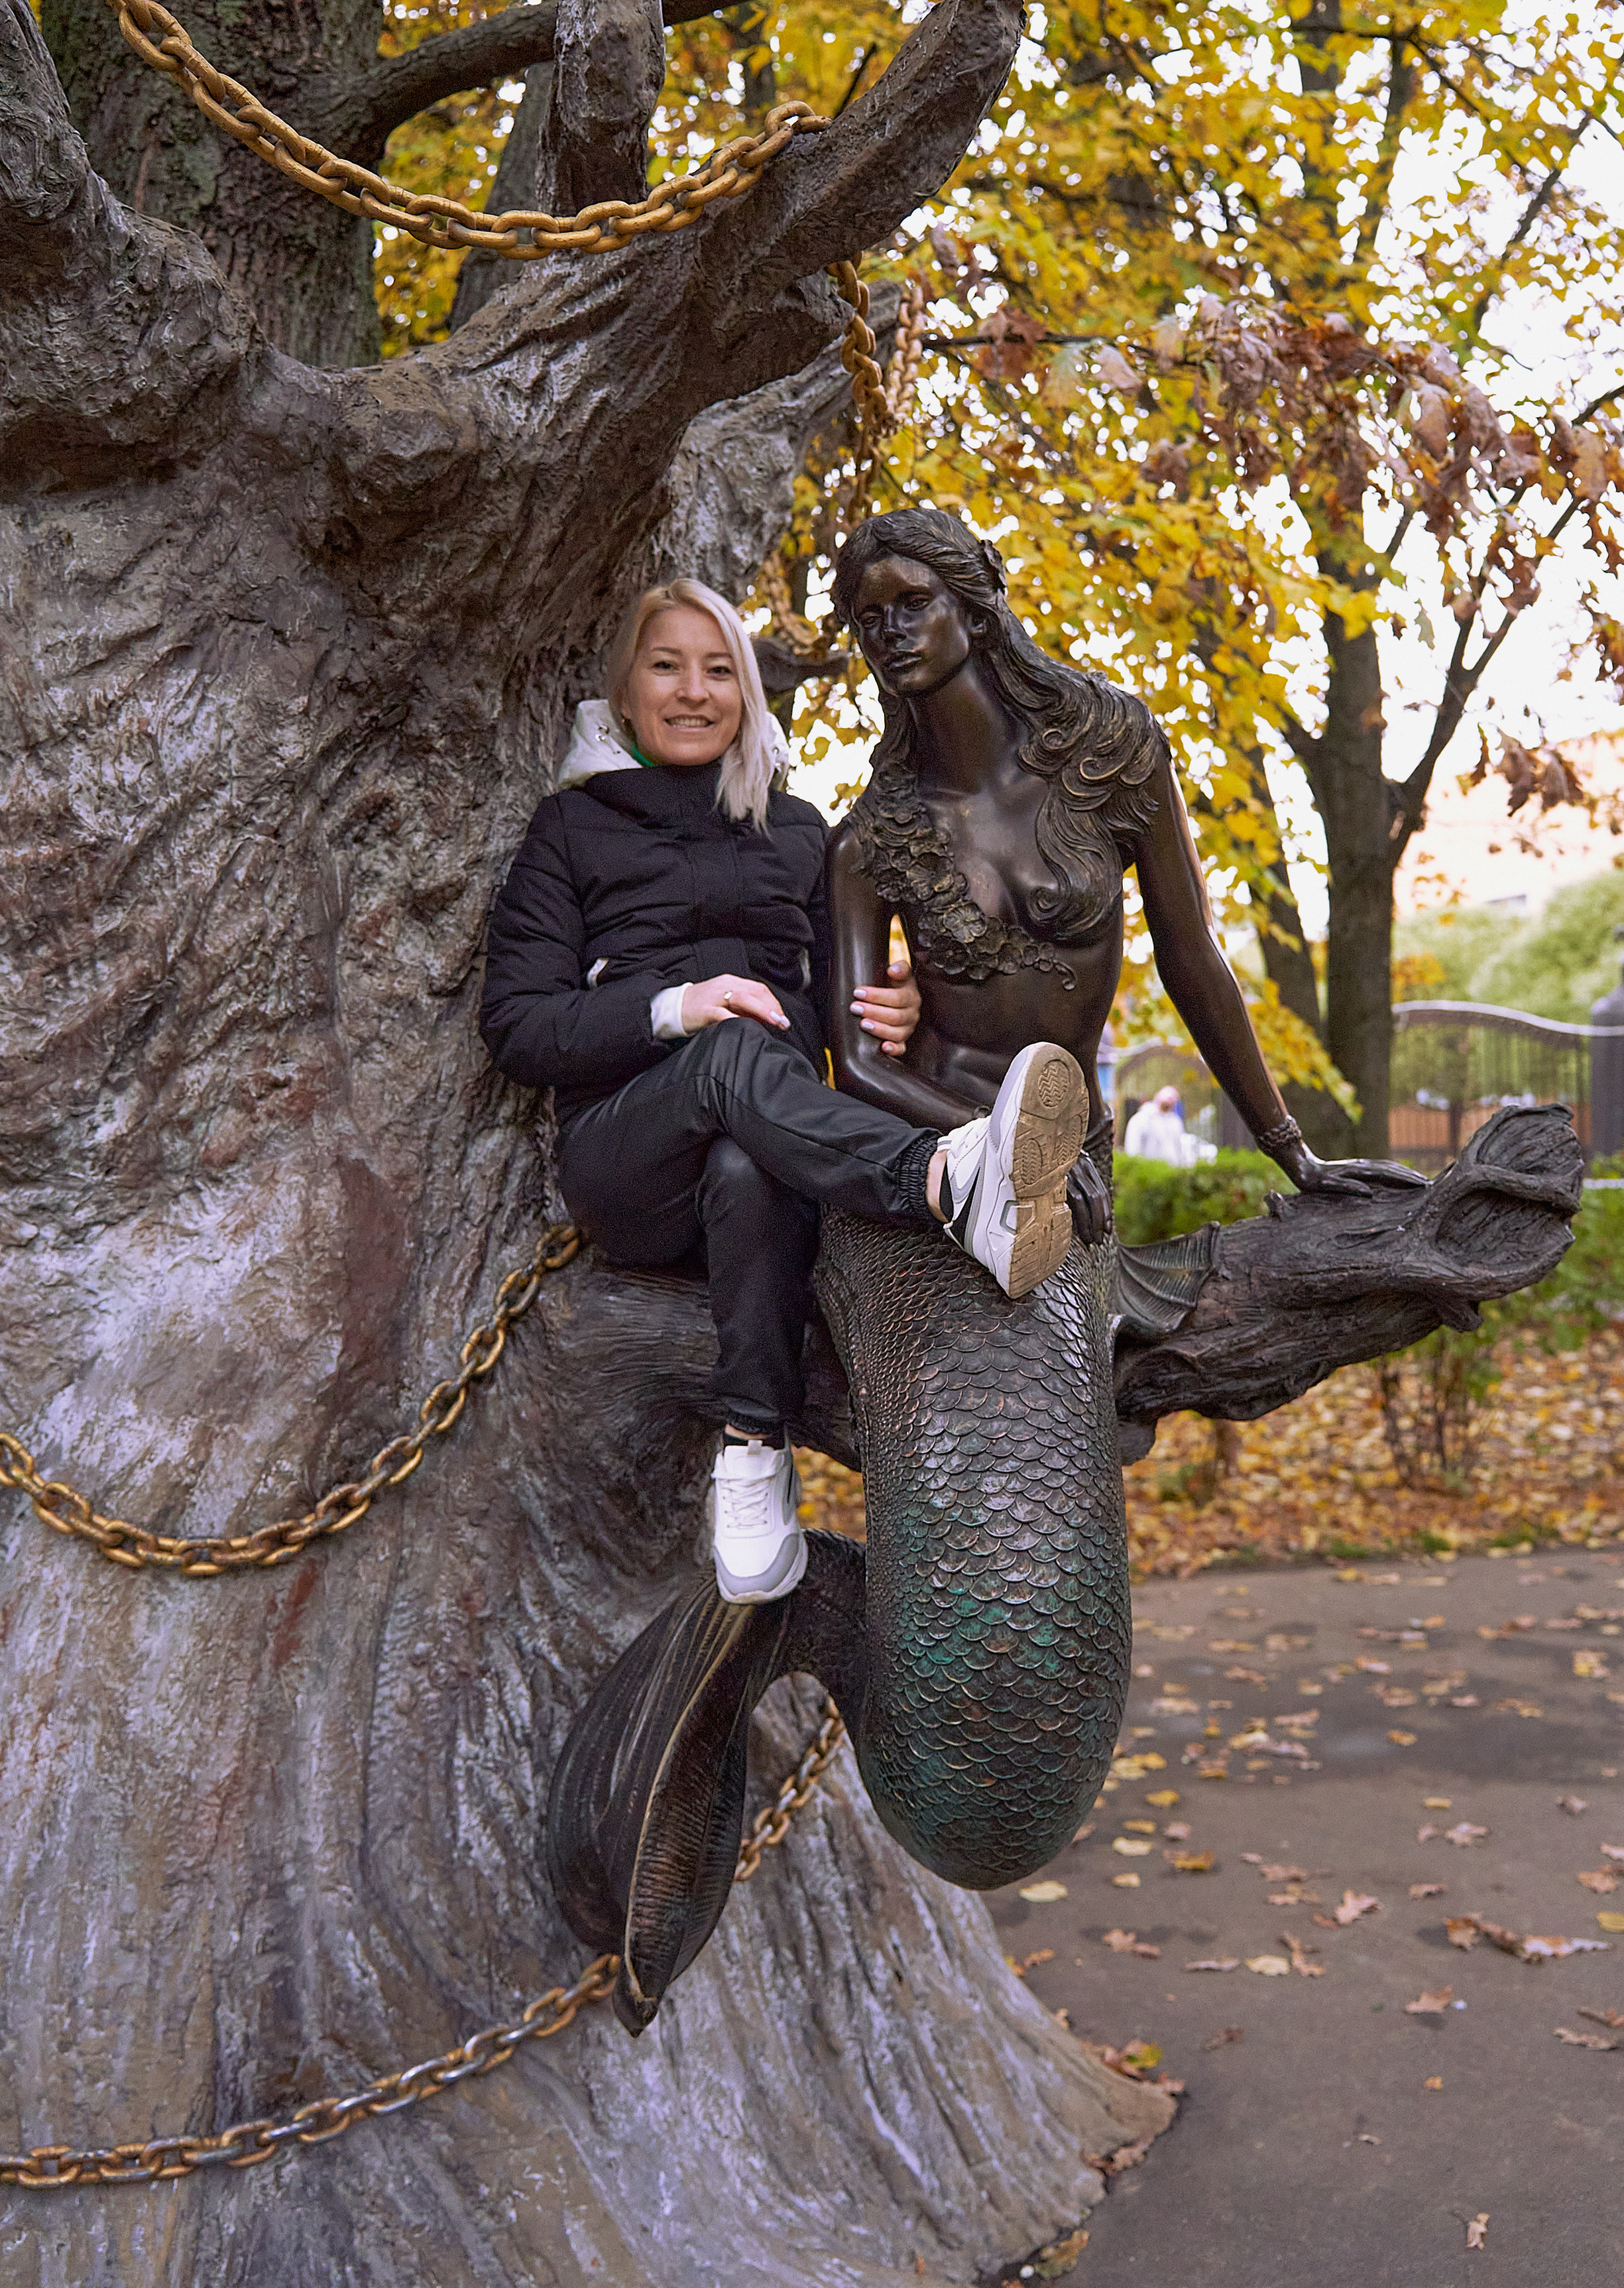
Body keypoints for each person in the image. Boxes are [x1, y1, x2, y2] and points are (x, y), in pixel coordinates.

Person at [479, 577, 1095, 1610]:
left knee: (746, 1151)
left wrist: (897, 1009)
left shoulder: (801, 831)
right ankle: (947, 1182)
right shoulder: (569, 833)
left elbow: (835, 1010)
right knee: (726, 1052)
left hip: (765, 1160)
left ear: (750, 695)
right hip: (626, 1163)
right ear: (625, 692)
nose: (693, 691)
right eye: (666, 666)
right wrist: (677, 1005)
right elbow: (519, 1026)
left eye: (720, 670)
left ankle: (751, 1455)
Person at [825, 510, 1419, 1234]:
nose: (889, 632)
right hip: (940, 1147)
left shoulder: (1111, 753)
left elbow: (1191, 952)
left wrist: (1291, 1152)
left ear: (975, 611)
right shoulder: (871, 838)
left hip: (1080, 1146)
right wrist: (1018, 1151)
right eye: (869, 619)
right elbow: (858, 1066)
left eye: (914, 603)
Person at [1123, 1083, 1208, 1165]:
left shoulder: (1175, 1121)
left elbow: (1180, 1148)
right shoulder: (1141, 1120)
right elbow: (1133, 1149)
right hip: (1149, 1173)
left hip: (1172, 1173)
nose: (1169, 1104)